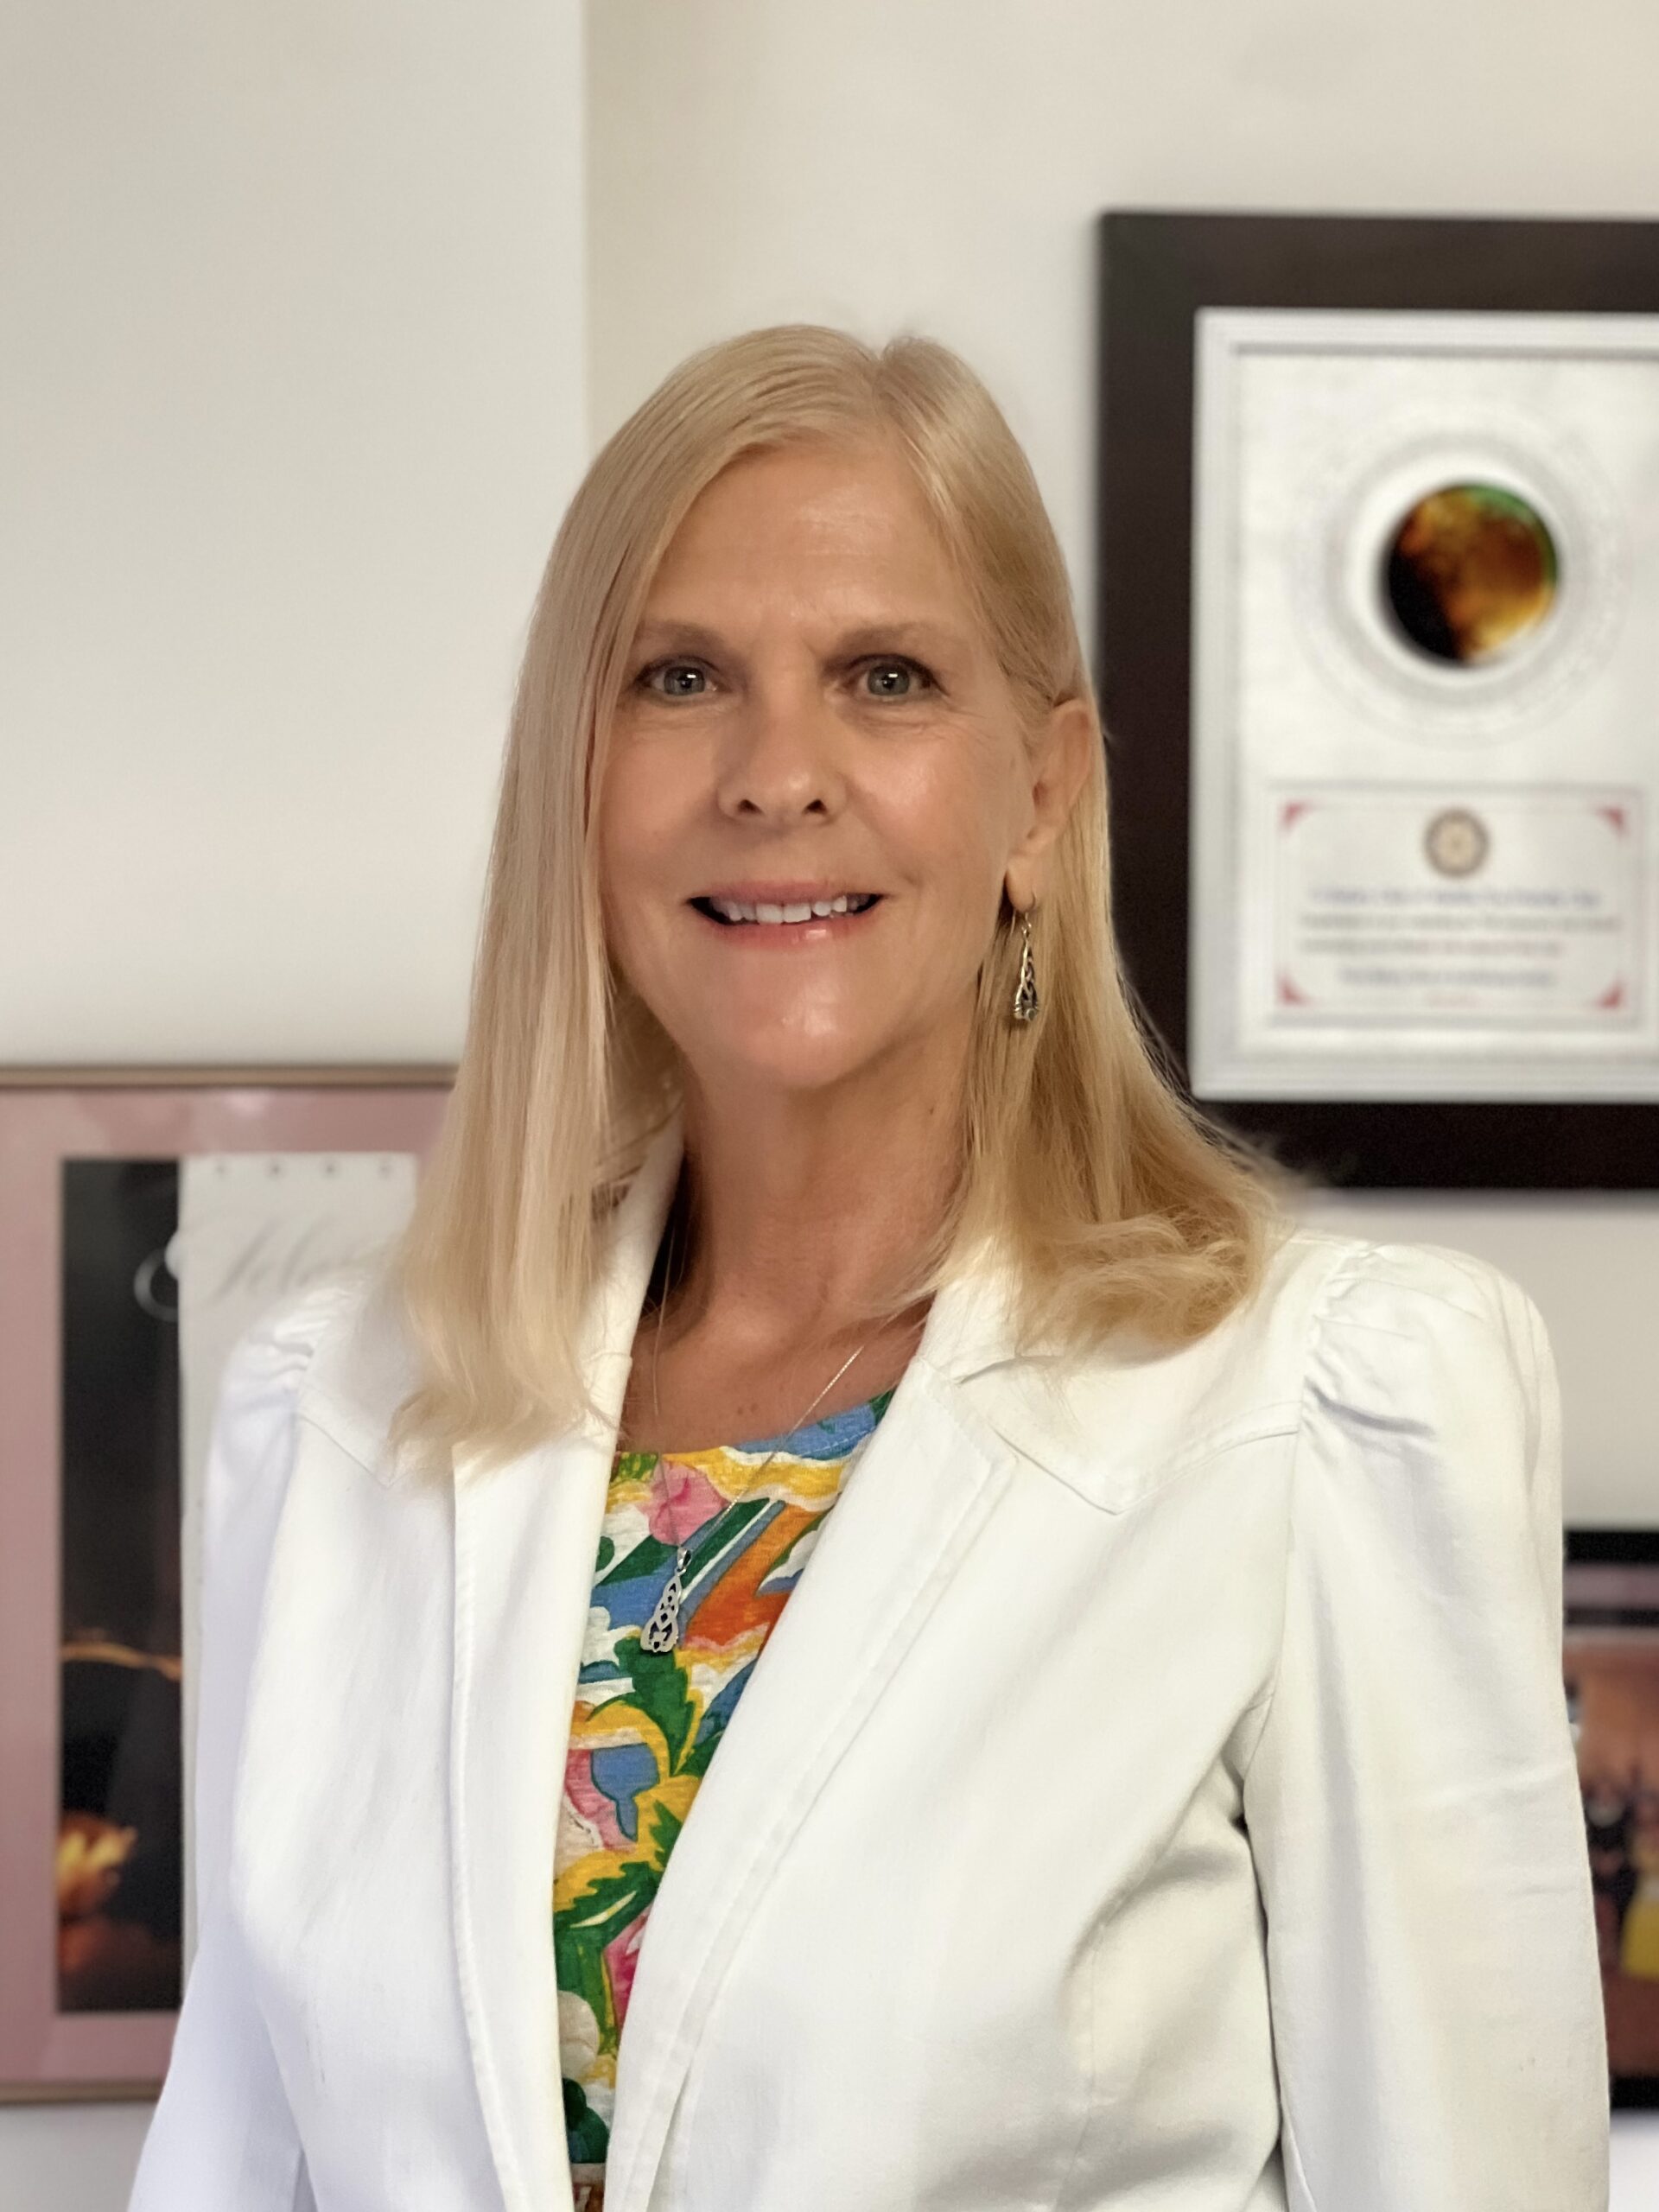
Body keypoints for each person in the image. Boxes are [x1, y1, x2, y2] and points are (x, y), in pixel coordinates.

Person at [129, 325, 1609, 2212]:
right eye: (680, 676)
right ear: (576, 782)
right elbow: (235, 2154)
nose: (776, 772)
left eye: (885, 677)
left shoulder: (1326, 1405)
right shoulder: (342, 1410)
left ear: (1044, 797)